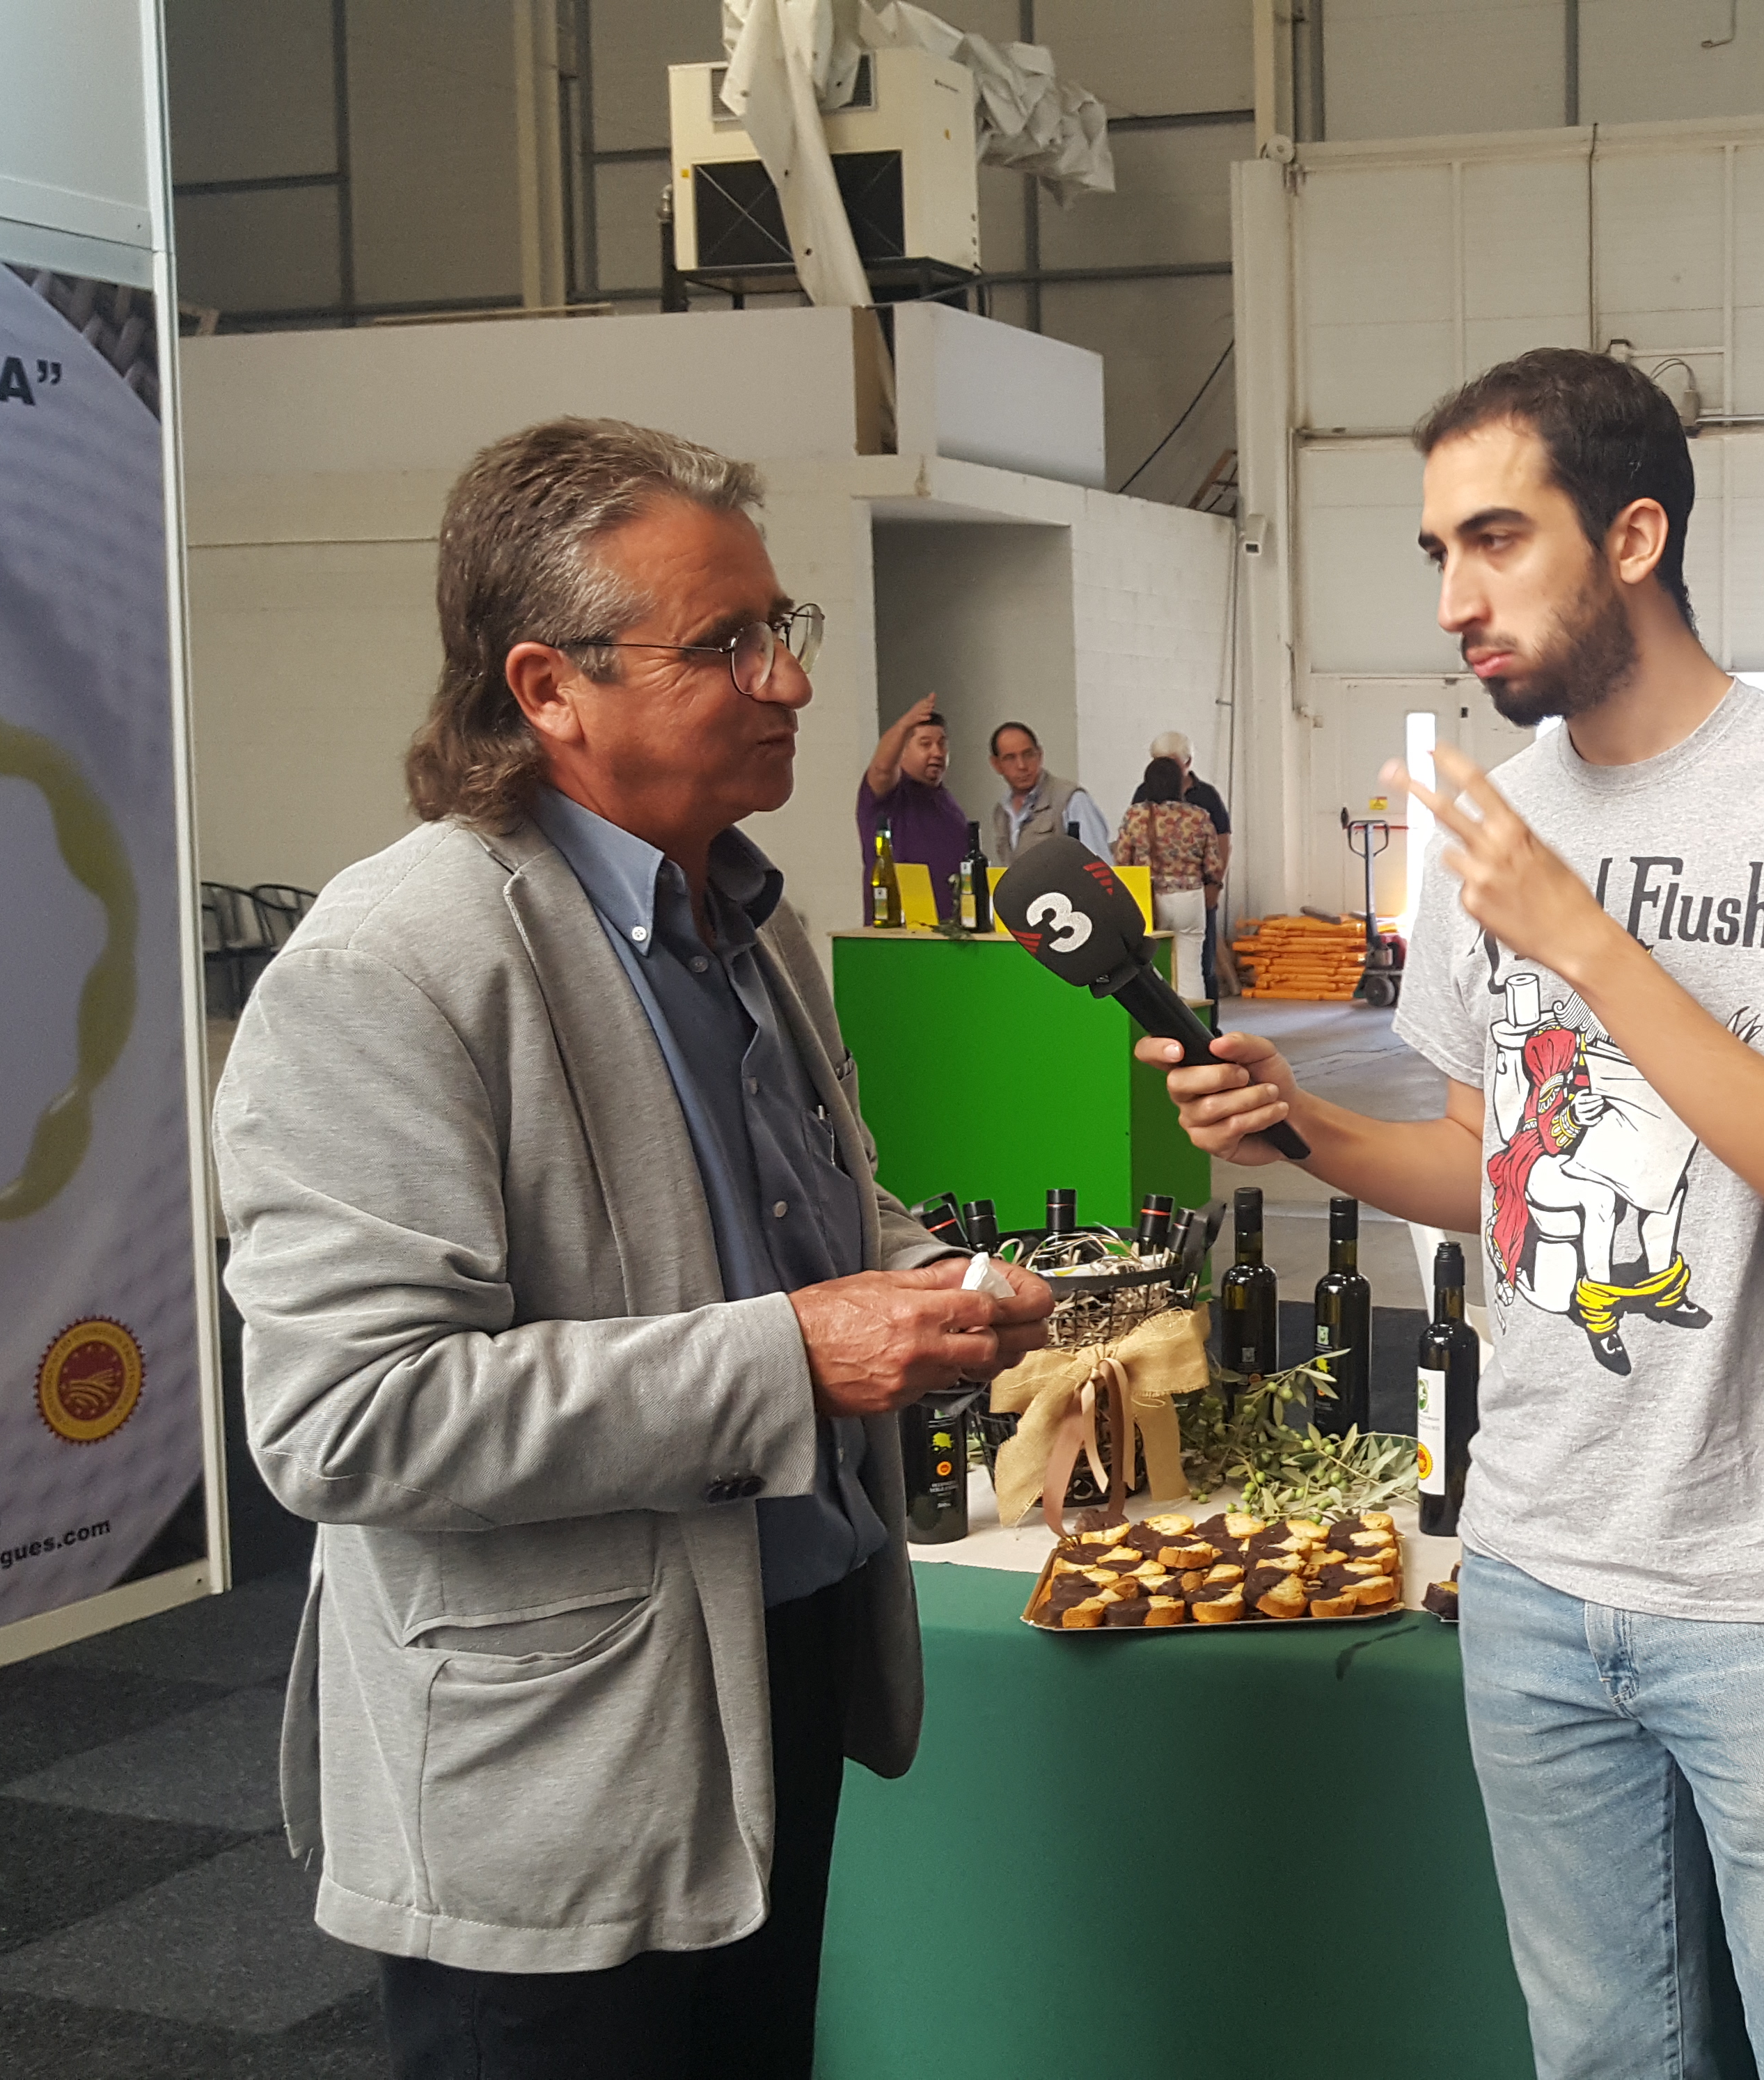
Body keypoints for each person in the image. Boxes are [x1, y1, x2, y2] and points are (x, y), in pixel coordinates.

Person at [1142, 347, 1764, 2077]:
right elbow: (1486, 1167)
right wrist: (1304, 1124)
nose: (1453, 601)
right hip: (1534, 1568)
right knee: (1603, 2058)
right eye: (1435, 553)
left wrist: (1586, 939)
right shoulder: (1502, 824)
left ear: (1630, 535)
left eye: (1493, 539)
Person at [214, 418, 1051, 2080]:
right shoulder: (392, 963)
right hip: (550, 1766)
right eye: (723, 643)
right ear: (548, 687)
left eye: (779, 625)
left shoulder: (753, 919)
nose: (788, 680)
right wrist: (795, 1353)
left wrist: (929, 1285)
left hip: (770, 1669)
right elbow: (347, 1417)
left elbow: (800, 1212)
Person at [1112, 753, 1224, 1011]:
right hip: (1190, 898)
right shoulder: (1199, 816)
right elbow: (1214, 866)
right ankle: (1195, 1025)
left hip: (1148, 900)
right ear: (1179, 785)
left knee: (1154, 970)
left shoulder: (1135, 816)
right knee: (1191, 970)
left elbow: (1122, 862)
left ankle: (1160, 1026)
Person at [856, 692, 975, 904]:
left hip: (952, 922)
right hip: (900, 921)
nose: (937, 752)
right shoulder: (889, 795)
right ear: (902, 751)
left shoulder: (949, 805)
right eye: (925, 744)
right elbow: (882, 769)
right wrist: (905, 725)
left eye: (942, 744)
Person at [1151, 730, 1234, 998]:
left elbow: (1222, 844)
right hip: (1153, 895)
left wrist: (1215, 886)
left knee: (1203, 966)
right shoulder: (1144, 796)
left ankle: (1207, 1021)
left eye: (1170, 763)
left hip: (1199, 891)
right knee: (1163, 967)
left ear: (1187, 762)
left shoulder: (1206, 797)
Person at [986, 718, 1112, 865]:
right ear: (996, 764)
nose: (1022, 765)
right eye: (1010, 758)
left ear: (1040, 755)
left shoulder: (1071, 799)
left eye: (1028, 754)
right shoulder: (1002, 812)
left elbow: (1100, 866)